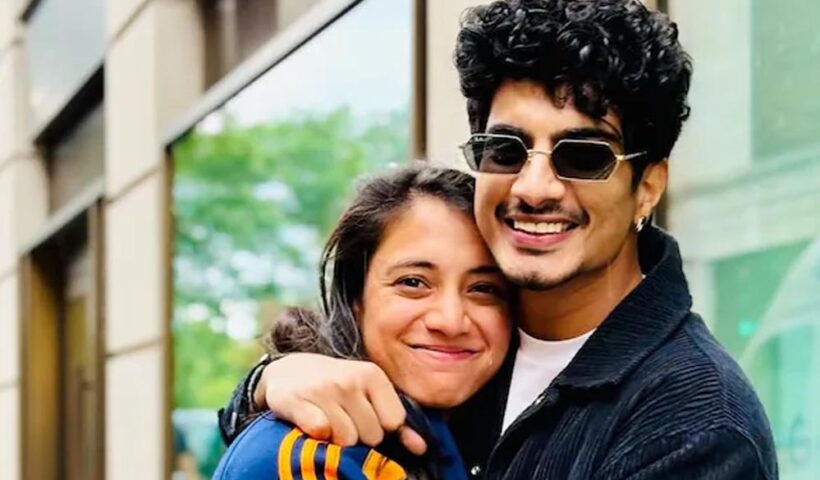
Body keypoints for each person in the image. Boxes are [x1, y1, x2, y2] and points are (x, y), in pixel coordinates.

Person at [220, 1, 778, 478]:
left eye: (583, 156)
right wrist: (271, 383)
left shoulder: (696, 425)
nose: (534, 188)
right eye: (506, 149)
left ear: (647, 188)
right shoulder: (468, 353)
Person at [213, 166, 512, 479]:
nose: (450, 321)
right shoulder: (308, 459)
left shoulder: (490, 434)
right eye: (413, 282)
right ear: (355, 298)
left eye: (483, 289)